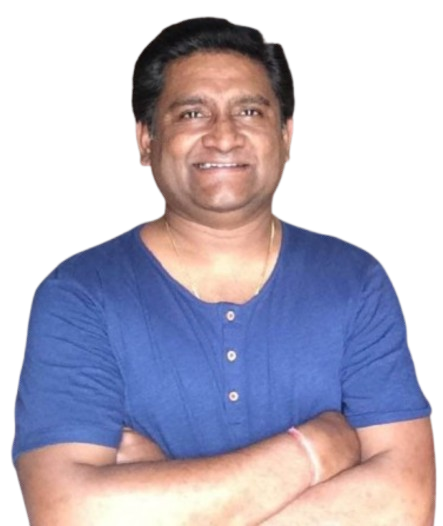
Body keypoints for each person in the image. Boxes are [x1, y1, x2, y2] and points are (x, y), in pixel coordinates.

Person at [12, 16, 436, 525]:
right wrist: (316, 448)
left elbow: (406, 503)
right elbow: (67, 513)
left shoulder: (355, 281)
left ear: (286, 136)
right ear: (145, 140)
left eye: (249, 111)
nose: (224, 136)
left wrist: (164, 501)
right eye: (192, 113)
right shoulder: (79, 294)